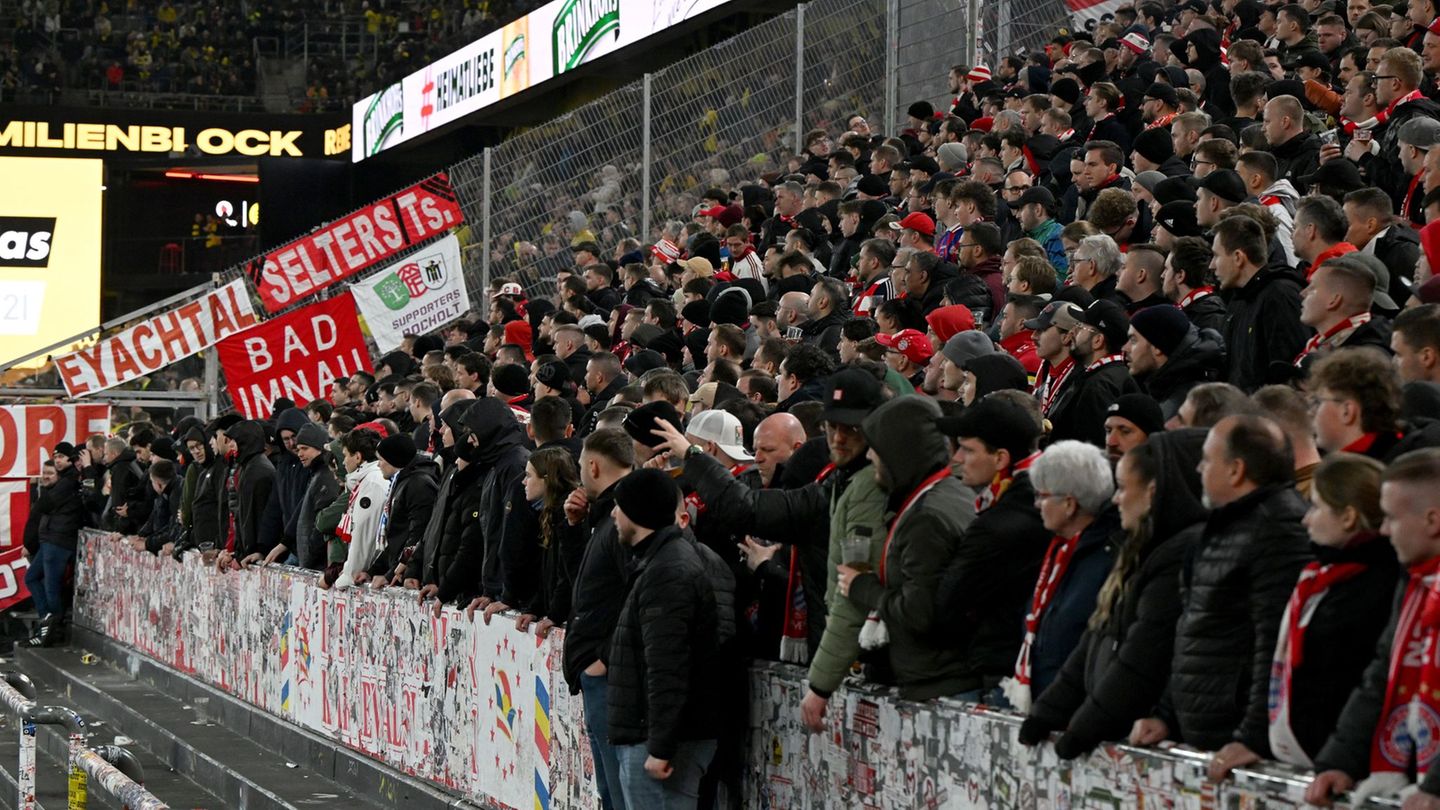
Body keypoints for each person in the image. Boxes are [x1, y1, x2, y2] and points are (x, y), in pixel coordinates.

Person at [1206, 454, 1399, 779]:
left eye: (1316, 507)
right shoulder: (1319, 577)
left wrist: (1338, 759)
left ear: (1349, 517)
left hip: (1341, 769)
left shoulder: (1379, 587)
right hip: (1306, 761)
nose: (1305, 519)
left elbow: (1358, 684)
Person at [1130, 415, 1312, 757]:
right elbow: (1195, 627)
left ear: (1236, 470)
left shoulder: (1279, 530)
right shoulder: (1222, 525)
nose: (1199, 468)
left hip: (1237, 739)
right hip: (1205, 733)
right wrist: (1167, 715)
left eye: (1208, 459)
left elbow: (1274, 641)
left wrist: (1253, 737)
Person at [1021, 430, 1208, 757]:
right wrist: (1048, 710)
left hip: (1136, 733)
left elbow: (1142, 657)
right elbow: (1096, 637)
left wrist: (1084, 728)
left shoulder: (1175, 554)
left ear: (1152, 492)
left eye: (1123, 488)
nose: (1117, 498)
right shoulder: (1136, 548)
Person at [1307, 449, 1440, 807]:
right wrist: (1341, 759)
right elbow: (1382, 674)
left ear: (1432, 520)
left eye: (1392, 518)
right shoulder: (1413, 583)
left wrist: (1437, 786)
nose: (1382, 530)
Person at [607, 468, 733, 810]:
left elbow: (668, 665)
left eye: (618, 506)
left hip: (661, 740)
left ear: (638, 512)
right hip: (655, 734)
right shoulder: (660, 562)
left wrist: (661, 746)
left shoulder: (668, 571)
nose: (613, 514)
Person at [835, 395, 977, 700]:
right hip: (947, 677)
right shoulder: (953, 492)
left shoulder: (927, 518)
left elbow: (919, 613)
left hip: (941, 685)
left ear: (899, 452)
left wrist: (862, 587)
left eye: (878, 446)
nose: (871, 455)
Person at [937, 394, 1052, 701]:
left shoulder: (1002, 522)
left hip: (1005, 671)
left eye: (967, 449)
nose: (958, 458)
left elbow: (949, 602)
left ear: (1000, 458)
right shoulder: (1034, 494)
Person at [999, 441, 1118, 711]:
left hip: (1075, 711)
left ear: (1068, 504)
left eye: (1043, 496)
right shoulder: (1058, 550)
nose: (1037, 504)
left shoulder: (1105, 560)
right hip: (1044, 702)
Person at [562, 428, 635, 810]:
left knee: (619, 794)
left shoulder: (626, 515)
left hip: (612, 675)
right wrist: (574, 529)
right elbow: (585, 585)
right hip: (603, 672)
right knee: (611, 791)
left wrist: (603, 659)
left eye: (580, 466)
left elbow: (638, 595)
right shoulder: (604, 516)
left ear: (592, 465)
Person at [23, 458, 84, 647]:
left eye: (50, 474)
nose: (45, 477)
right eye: (44, 473)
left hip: (57, 543)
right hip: (47, 542)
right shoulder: (50, 492)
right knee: (31, 578)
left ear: (59, 477)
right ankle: (46, 620)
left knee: (51, 588)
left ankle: (53, 630)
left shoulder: (62, 494)